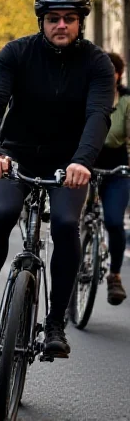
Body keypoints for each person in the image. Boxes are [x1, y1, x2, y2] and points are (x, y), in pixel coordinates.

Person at [0, 0, 114, 358]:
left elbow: (98, 116)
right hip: (16, 155)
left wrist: (82, 161)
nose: (61, 25)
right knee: (1, 214)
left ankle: (57, 323)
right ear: (41, 22)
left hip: (70, 160)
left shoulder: (97, 64)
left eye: (69, 19)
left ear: (81, 23)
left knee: (64, 224)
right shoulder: (15, 53)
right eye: (53, 19)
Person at [92, 52, 129, 305]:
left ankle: (114, 276)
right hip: (85, 167)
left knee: (114, 223)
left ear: (118, 75)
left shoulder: (126, 101)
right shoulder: (85, 95)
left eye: (111, 70)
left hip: (117, 168)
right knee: (69, 221)